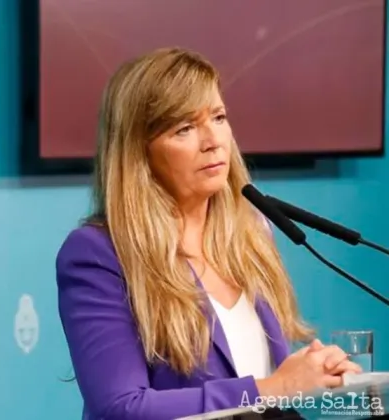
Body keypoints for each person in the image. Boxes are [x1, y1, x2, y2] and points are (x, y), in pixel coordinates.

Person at [55, 47, 361, 420]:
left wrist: (318, 378)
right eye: (184, 128)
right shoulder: (99, 254)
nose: (213, 140)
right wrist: (273, 387)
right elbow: (121, 407)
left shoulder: (251, 232)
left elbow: (272, 397)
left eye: (218, 117)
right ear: (140, 153)